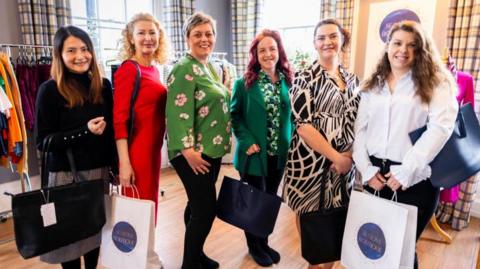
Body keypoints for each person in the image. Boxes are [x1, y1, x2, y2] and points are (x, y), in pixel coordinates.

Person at [352, 21, 458, 269]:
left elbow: (440, 128)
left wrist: (405, 171)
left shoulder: (435, 82)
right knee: (375, 246)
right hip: (376, 176)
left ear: (421, 50)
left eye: (412, 45)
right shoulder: (373, 83)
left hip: (416, 179)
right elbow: (360, 131)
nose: (403, 50)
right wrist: (367, 171)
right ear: (388, 46)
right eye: (397, 43)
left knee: (403, 251)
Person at [35, 25, 116, 269]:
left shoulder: (102, 85)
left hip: (98, 173)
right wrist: (84, 132)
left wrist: (116, 167)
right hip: (64, 177)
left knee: (94, 236)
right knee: (69, 241)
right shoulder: (49, 90)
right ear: (59, 55)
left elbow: (110, 133)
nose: (80, 56)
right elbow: (43, 141)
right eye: (71, 50)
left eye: (84, 49)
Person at [282, 19, 360, 269]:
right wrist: (336, 157)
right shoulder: (305, 78)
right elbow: (303, 126)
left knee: (336, 223)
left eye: (333, 36)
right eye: (321, 37)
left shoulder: (353, 80)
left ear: (342, 40)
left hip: (344, 167)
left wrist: (347, 155)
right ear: (314, 43)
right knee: (312, 225)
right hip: (309, 166)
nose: (327, 42)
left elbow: (358, 121)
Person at [166, 12, 231, 269]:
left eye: (209, 34)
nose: (204, 39)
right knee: (205, 211)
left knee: (196, 206)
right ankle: (189, 264)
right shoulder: (183, 69)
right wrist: (188, 151)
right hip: (193, 153)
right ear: (187, 38)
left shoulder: (208, 67)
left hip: (210, 150)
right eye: (198, 34)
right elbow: (176, 112)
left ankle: (198, 254)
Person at [230, 29, 293, 266]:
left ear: (279, 52)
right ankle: (254, 247)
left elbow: (293, 117)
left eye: (272, 49)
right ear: (256, 54)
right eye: (262, 50)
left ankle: (263, 243)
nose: (268, 54)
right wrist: (246, 141)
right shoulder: (244, 83)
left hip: (278, 155)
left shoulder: (287, 80)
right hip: (254, 155)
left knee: (268, 201)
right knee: (254, 203)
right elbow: (235, 116)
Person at [113, 13, 168, 216]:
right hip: (137, 152)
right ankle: (137, 249)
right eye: (141, 33)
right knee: (136, 210)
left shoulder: (154, 70)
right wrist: (125, 164)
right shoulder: (129, 69)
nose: (148, 38)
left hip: (153, 150)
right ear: (131, 38)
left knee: (149, 206)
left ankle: (147, 247)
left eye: (152, 32)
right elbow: (119, 120)